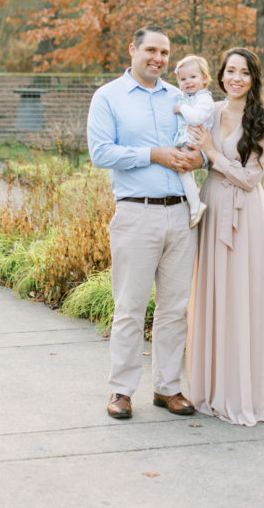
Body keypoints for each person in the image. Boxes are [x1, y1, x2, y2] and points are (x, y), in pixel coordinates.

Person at [87, 26, 202, 421]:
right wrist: (153, 154)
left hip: (181, 215)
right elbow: (100, 152)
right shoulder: (108, 97)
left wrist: (196, 158)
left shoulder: (179, 97)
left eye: (165, 52)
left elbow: (200, 142)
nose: (158, 58)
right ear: (133, 49)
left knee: (174, 308)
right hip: (137, 213)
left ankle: (167, 388)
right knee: (130, 307)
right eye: (151, 50)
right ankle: (121, 390)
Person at [186, 46, 264, 426]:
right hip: (211, 206)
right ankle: (208, 389)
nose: (236, 78)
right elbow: (190, 148)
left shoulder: (263, 123)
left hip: (245, 215)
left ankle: (242, 393)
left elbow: (249, 178)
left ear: (253, 78)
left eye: (244, 73)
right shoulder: (208, 110)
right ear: (221, 75)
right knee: (211, 294)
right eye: (230, 71)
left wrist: (213, 153)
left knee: (242, 295)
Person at [173, 54, 213, 228]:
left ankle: (196, 206)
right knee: (184, 173)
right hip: (188, 142)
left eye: (193, 77)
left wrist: (182, 108)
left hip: (195, 144)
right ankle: (195, 201)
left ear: (204, 78)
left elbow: (196, 119)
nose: (187, 82)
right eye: (183, 79)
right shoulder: (188, 97)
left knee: (182, 171)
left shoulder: (203, 99)